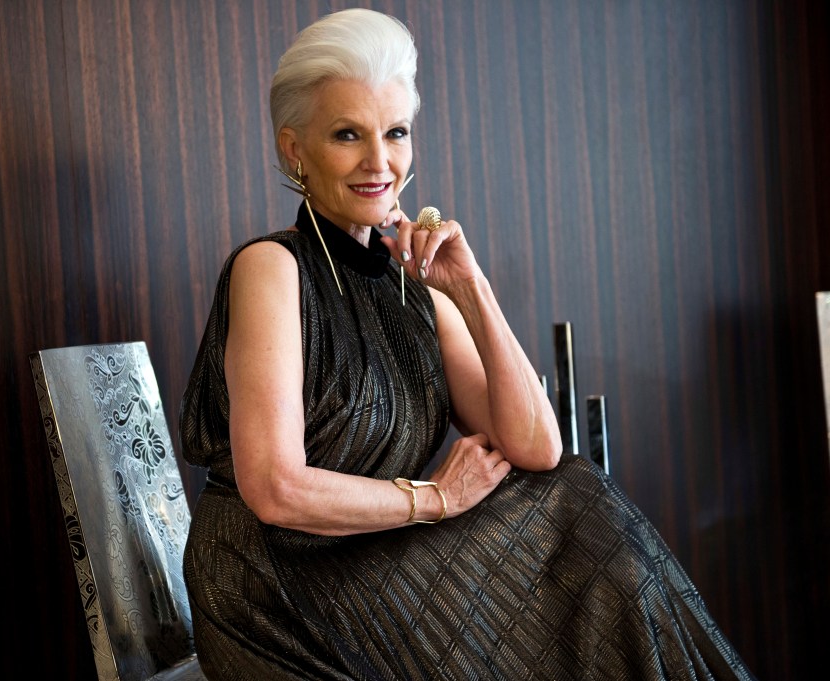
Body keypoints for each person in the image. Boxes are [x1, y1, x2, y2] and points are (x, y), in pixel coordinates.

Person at [180, 8, 753, 680]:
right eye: (346, 135)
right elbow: (274, 488)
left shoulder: (416, 284)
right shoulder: (272, 268)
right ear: (294, 148)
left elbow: (540, 449)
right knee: (579, 542)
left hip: (368, 563)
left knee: (579, 502)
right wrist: (436, 499)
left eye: (395, 132)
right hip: (272, 584)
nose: (379, 161)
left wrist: (471, 287)